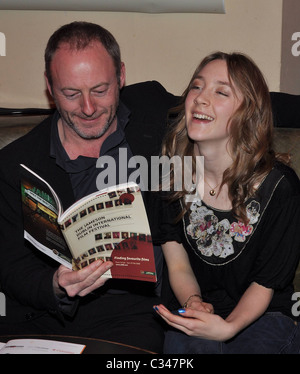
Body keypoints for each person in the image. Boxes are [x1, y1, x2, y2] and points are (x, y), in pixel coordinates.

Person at [0, 21, 178, 353]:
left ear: (121, 76)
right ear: (50, 88)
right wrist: (54, 284)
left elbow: (246, 103)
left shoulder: (151, 110)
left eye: (100, 90)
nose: (88, 108)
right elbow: (10, 264)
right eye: (71, 93)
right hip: (42, 318)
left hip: (131, 317)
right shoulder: (16, 163)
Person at [152, 51, 300, 354]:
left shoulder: (281, 188)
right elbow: (178, 266)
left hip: (262, 315)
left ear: (249, 112)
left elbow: (266, 284)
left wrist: (229, 326)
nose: (201, 98)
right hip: (193, 308)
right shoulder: (171, 178)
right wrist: (194, 304)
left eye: (221, 91)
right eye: (196, 86)